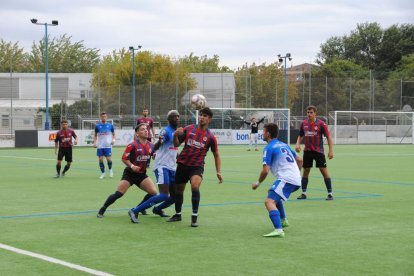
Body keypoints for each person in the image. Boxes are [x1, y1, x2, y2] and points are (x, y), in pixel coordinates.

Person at [167, 107, 223, 227]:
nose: (202, 117)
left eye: (205, 116)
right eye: (201, 115)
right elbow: (176, 144)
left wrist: (218, 171)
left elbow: (216, 154)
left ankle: (194, 217)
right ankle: (178, 214)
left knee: (195, 186)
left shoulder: (211, 137)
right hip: (182, 164)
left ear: (209, 119)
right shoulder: (188, 129)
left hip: (197, 166)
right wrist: (175, 135)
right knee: (179, 191)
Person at [97, 123, 160, 219]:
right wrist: (132, 166)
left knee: (153, 192)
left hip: (142, 175)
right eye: (142, 129)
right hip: (130, 174)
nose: (146, 131)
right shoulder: (132, 145)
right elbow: (124, 158)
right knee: (119, 193)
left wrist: (156, 156)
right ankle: (102, 209)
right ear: (137, 133)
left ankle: (139, 208)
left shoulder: (151, 145)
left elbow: (153, 155)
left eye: (146, 129)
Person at [252, 123, 303, 238]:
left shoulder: (269, 148)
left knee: (269, 201)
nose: (262, 134)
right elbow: (300, 160)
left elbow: (265, 170)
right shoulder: (283, 145)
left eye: (263, 131)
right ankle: (283, 220)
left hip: (287, 179)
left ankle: (279, 230)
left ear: (268, 134)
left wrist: (258, 183)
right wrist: (296, 173)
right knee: (274, 193)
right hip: (295, 179)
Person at [295, 105, 334, 200]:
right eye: (308, 112)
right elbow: (300, 135)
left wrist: (331, 150)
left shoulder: (321, 124)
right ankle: (303, 193)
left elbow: (328, 137)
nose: (309, 114)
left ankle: (330, 194)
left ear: (315, 113)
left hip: (318, 152)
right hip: (307, 151)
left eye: (311, 112)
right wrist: (297, 144)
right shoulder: (304, 123)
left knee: (323, 171)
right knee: (306, 171)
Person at [150, 110, 180, 217]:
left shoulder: (176, 132)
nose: (177, 118)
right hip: (162, 165)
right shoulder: (166, 131)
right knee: (164, 195)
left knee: (175, 196)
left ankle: (157, 209)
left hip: (172, 167)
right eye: (174, 116)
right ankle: (136, 209)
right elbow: (158, 144)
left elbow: (173, 148)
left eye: (178, 116)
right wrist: (153, 151)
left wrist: (179, 156)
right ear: (168, 119)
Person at [135, 107, 156, 213]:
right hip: (141, 137)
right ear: (142, 112)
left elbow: (152, 128)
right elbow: (136, 129)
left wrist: (153, 135)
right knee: (142, 152)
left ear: (148, 112)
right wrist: (136, 138)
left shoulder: (150, 120)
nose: (145, 112)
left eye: (146, 111)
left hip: (148, 137)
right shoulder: (139, 120)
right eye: (144, 111)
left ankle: (147, 164)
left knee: (150, 151)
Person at [93, 112, 116, 179]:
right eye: (102, 116)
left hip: (108, 146)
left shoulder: (110, 126)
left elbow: (114, 134)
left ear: (106, 117)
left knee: (109, 159)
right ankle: (103, 173)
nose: (104, 118)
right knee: (100, 160)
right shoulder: (97, 126)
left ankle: (110, 170)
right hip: (100, 146)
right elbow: (95, 135)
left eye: (105, 116)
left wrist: (113, 140)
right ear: (101, 117)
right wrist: (94, 143)